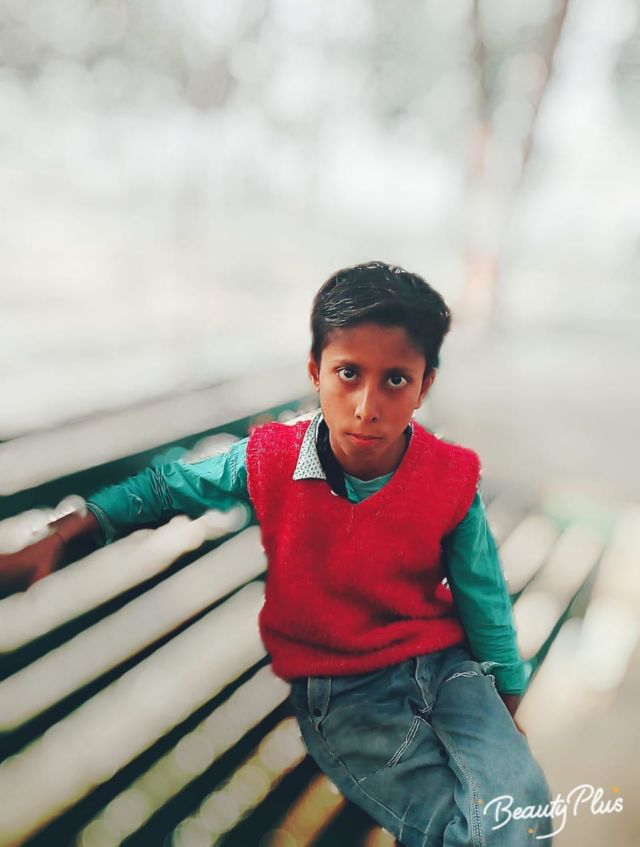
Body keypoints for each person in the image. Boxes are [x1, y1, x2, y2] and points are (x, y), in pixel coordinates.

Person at [0, 261, 552, 845]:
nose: (367, 406)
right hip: (346, 686)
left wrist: (503, 707)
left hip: (444, 666)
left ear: (424, 386)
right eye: (348, 373)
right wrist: (66, 535)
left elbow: (483, 595)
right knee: (461, 828)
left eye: (396, 380)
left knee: (523, 807)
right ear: (316, 372)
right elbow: (169, 488)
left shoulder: (449, 476)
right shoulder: (273, 458)